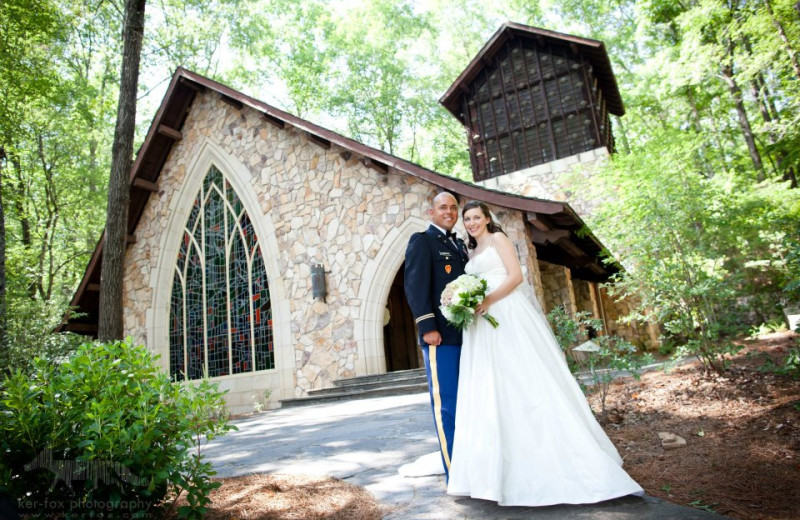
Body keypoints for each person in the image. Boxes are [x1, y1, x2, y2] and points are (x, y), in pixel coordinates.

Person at [446, 200, 643, 506]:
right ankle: (493, 463)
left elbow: (515, 277)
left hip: (506, 313)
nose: (471, 222)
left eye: (475, 217)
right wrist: (465, 301)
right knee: (491, 385)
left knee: (522, 378)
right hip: (482, 325)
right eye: (467, 218)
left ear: (487, 218)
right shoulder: (471, 250)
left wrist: (487, 300)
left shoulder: (498, 239)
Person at [403, 191, 469, 479]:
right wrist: (427, 327)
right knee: (448, 404)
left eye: (453, 207)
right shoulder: (423, 241)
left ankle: (472, 466)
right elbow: (415, 286)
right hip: (440, 337)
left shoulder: (459, 245)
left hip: (467, 336)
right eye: (443, 207)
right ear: (431, 212)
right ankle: (455, 471)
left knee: (468, 402)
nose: (449, 211)